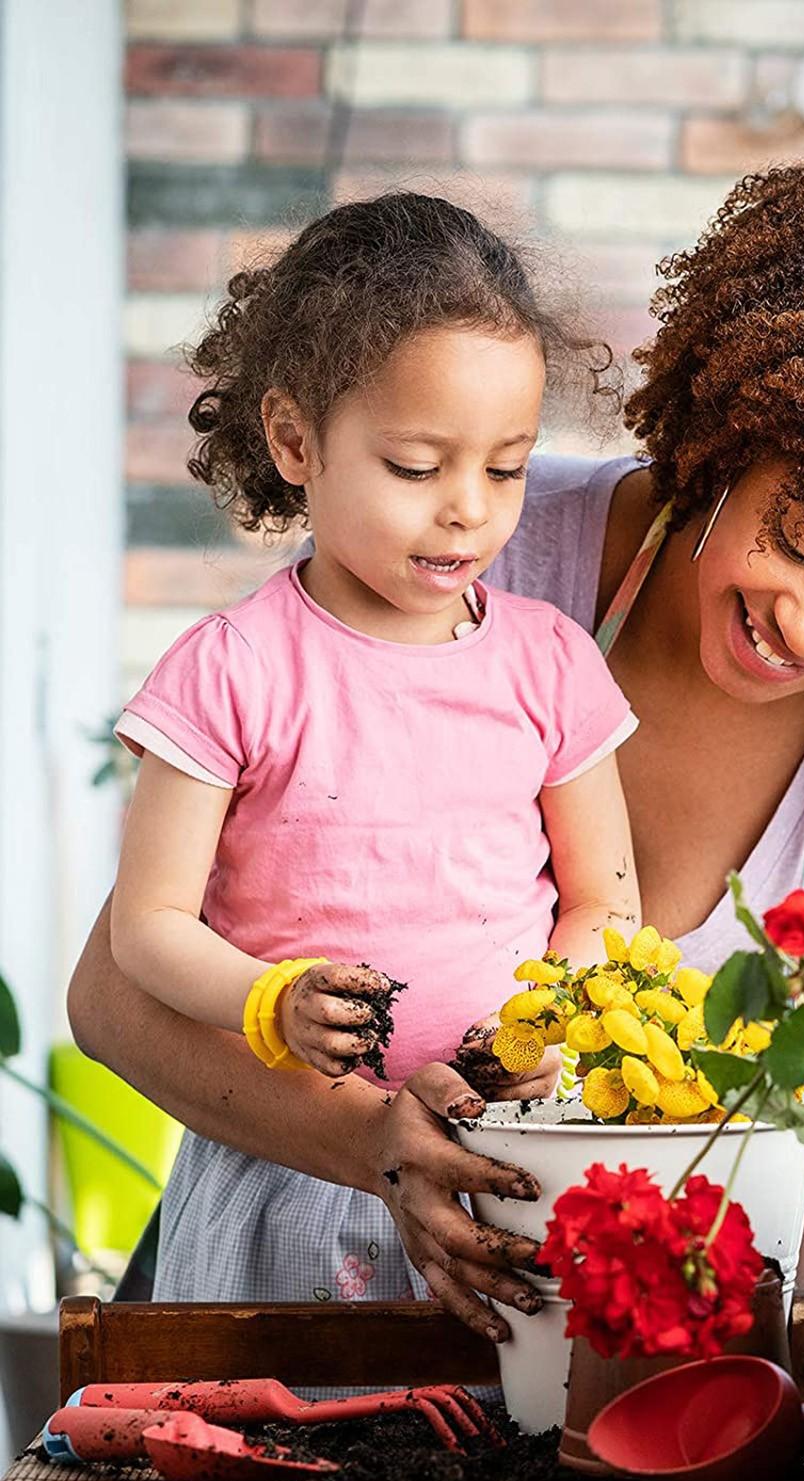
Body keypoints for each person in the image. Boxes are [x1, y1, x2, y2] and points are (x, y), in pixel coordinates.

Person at [70, 132, 804, 1425]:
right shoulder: (476, 557)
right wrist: (372, 1146)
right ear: (741, 424)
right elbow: (117, 994)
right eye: (795, 540)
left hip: (638, 1364)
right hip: (294, 1295)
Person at [106, 191, 638, 1309]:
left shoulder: (549, 663)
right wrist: (267, 1000)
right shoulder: (229, 670)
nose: (467, 512)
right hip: (292, 1169)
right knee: (291, 1464)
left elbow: (605, 905)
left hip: (504, 1163)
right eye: (414, 466)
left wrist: (555, 1023)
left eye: (505, 468)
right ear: (296, 441)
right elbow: (145, 931)